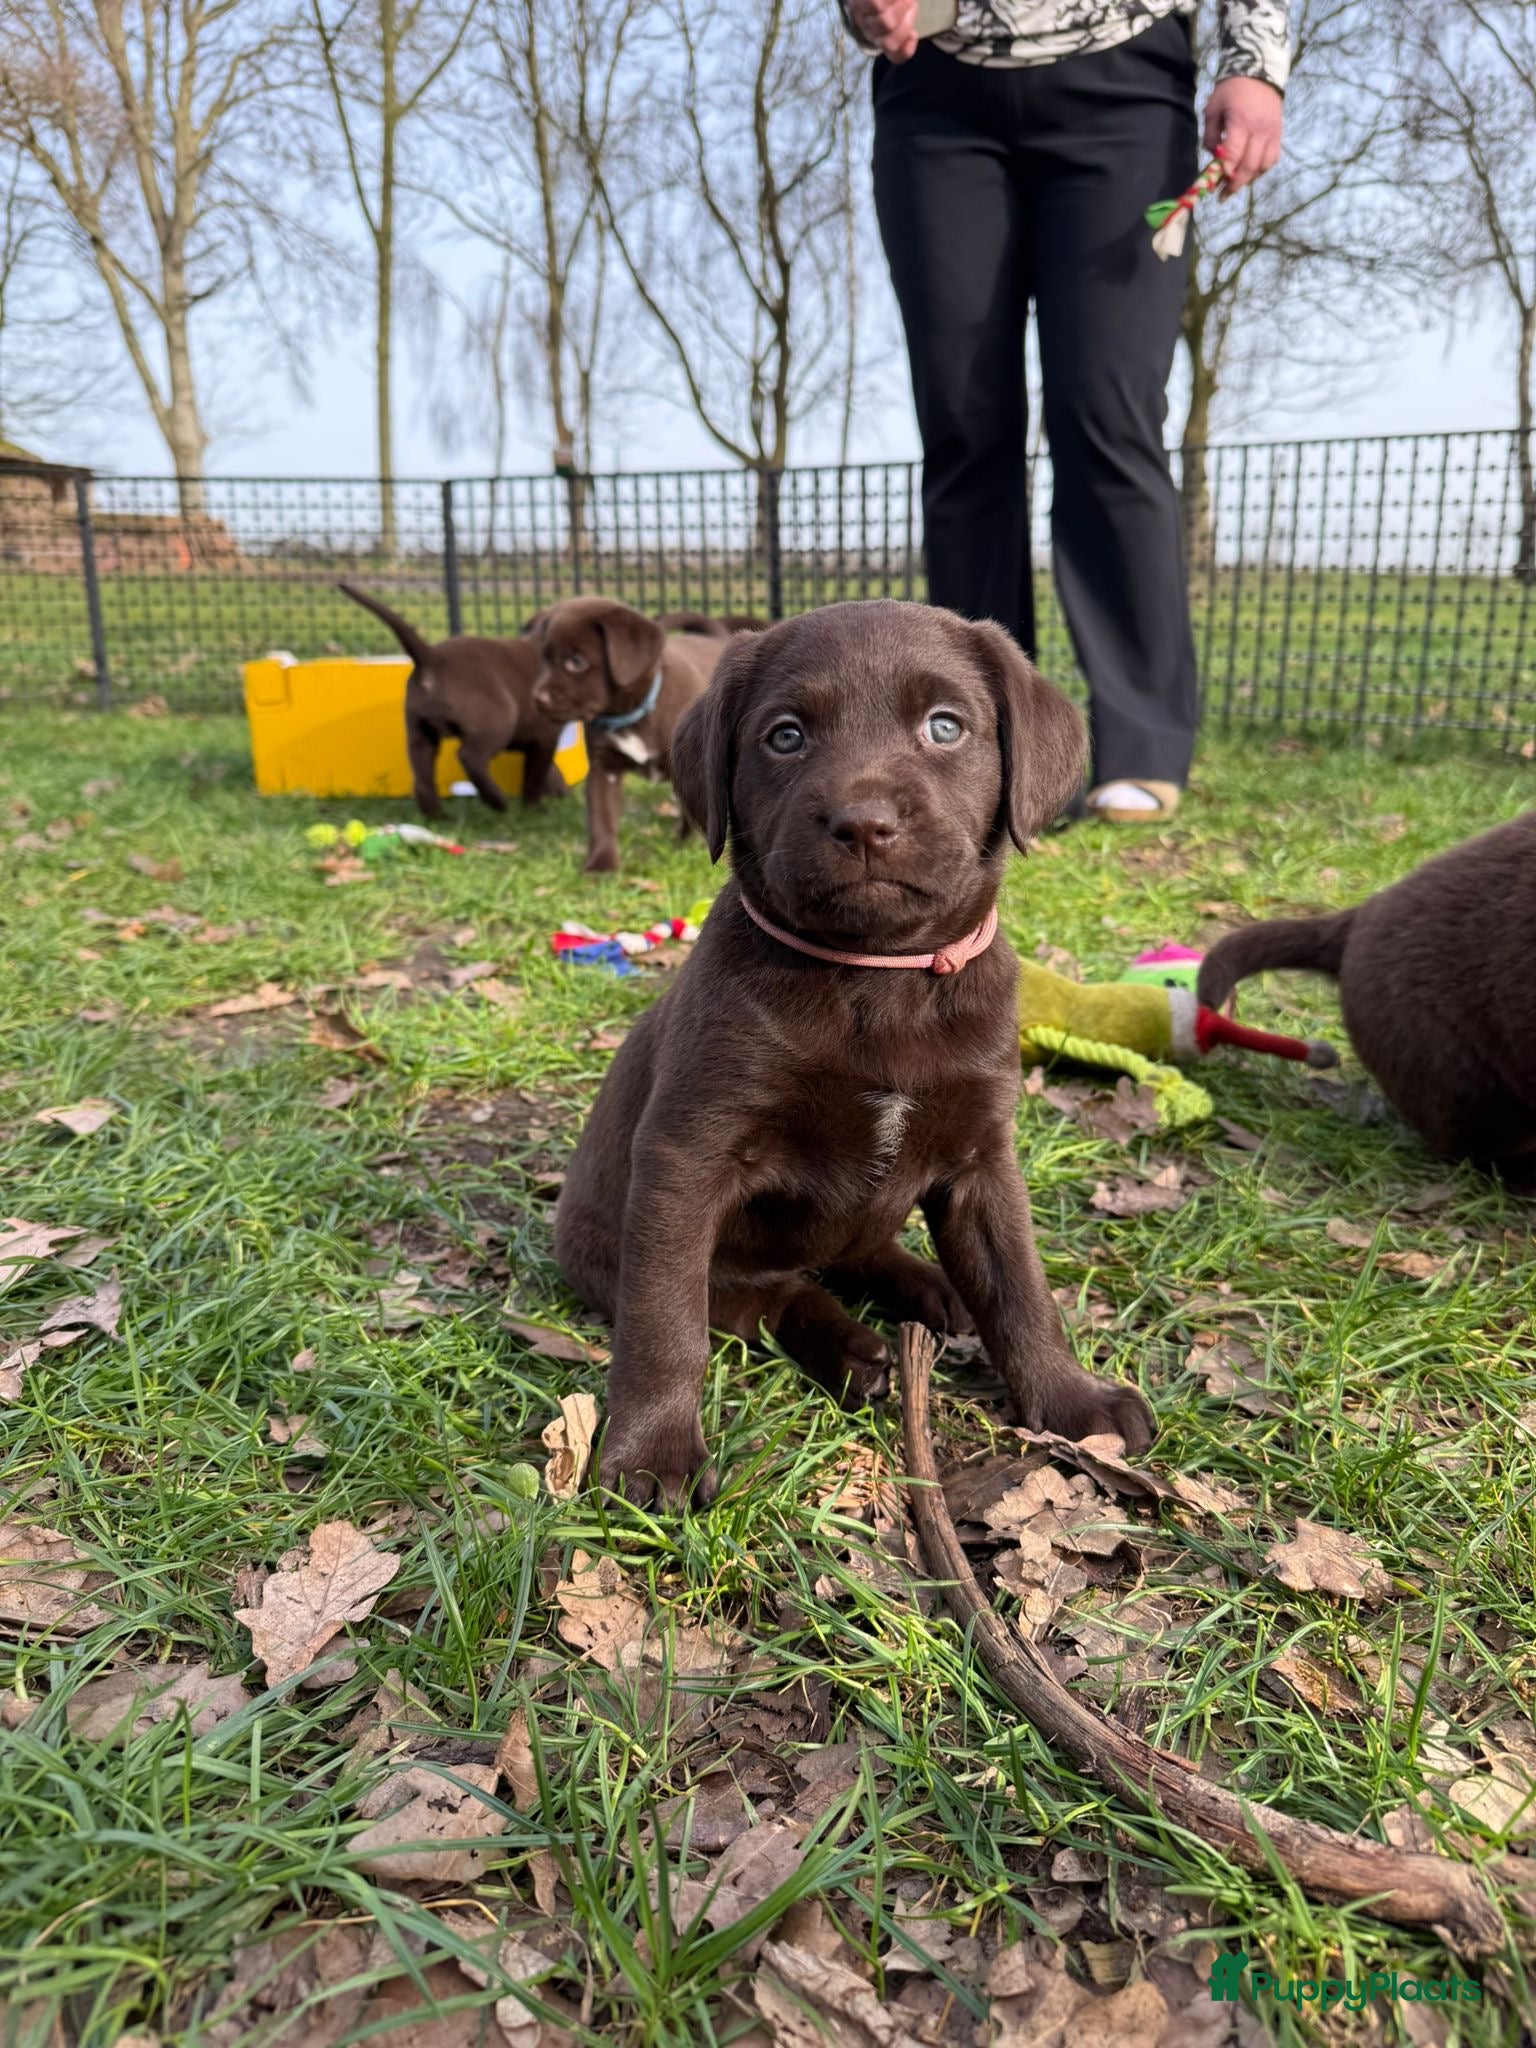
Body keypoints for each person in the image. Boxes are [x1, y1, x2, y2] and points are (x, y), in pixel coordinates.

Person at [845, 0, 1287, 822]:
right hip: (934, 95)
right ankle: (974, 746)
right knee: (963, 425)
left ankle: (1142, 744)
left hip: (1122, 84)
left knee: (1106, 414)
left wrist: (1253, 62)